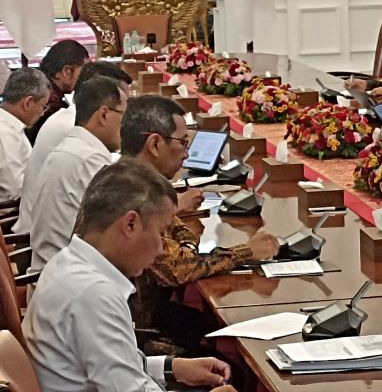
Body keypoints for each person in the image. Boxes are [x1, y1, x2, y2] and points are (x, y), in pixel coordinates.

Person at [23, 160, 236, 392]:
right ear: (131, 224)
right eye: (160, 233)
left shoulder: (67, 263)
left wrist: (172, 367)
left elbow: (117, 366)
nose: (160, 249)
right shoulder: (93, 293)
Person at [119, 96, 279, 348]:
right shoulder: (132, 194)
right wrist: (247, 251)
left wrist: (186, 246)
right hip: (134, 334)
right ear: (155, 143)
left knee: (205, 325)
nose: (187, 153)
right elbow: (177, 269)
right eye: (182, 143)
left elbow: (183, 236)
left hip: (147, 314)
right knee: (226, 356)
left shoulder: (131, 178)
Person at [27, 76, 129, 271]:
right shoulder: (89, 160)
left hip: (58, 273)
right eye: (124, 116)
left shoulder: (74, 146)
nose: (126, 126)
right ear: (104, 115)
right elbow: (123, 230)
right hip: (70, 282)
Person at [19, 61, 135, 229]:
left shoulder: (73, 120)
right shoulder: (73, 132)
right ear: (103, 111)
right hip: (37, 237)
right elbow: (118, 216)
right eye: (124, 110)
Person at [0, 68, 50, 205]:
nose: (42, 113)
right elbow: (18, 191)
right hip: (13, 214)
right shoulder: (1, 134)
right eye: (43, 106)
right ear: (28, 103)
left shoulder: (6, 126)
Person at [31, 38, 90, 139]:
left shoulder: (36, 83)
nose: (85, 78)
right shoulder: (49, 102)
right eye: (83, 72)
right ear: (66, 71)